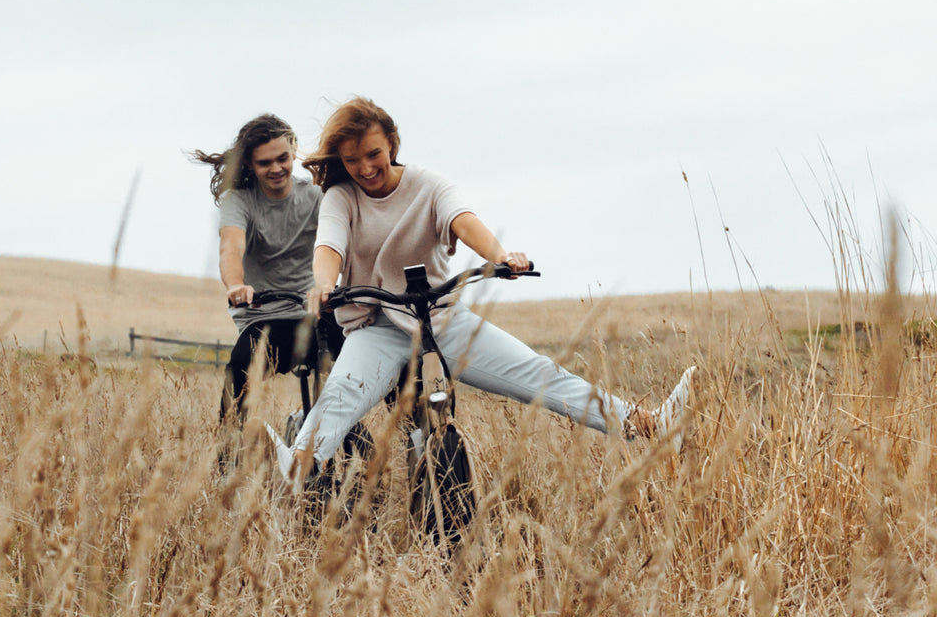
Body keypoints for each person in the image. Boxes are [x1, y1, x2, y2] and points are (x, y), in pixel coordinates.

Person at [268, 96, 695, 484]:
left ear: (392, 144)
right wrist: (324, 284)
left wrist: (501, 256)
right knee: (340, 397)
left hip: (440, 318)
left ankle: (653, 426)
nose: (365, 167)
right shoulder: (341, 197)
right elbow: (329, 244)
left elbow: (462, 219)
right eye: (352, 159)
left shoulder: (429, 185)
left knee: (542, 374)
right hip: (375, 324)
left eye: (373, 154)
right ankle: (296, 472)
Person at [189, 113, 343, 428]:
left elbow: (340, 239)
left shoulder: (315, 195)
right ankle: (226, 460)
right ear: (250, 165)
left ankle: (360, 445)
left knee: (356, 368)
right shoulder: (240, 201)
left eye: (283, 158)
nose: (276, 168)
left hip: (313, 311)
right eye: (264, 163)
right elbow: (231, 247)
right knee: (239, 374)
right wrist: (236, 286)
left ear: (294, 151)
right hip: (264, 316)